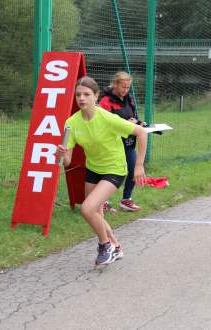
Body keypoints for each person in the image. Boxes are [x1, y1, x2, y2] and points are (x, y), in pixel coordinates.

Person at [57, 76, 147, 265]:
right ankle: (116, 246)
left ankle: (105, 246)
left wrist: (138, 166)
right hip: (93, 169)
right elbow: (66, 162)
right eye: (78, 95)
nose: (82, 98)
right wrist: (61, 153)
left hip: (114, 168)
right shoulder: (71, 123)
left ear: (96, 96)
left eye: (87, 94)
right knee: (95, 212)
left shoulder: (107, 117)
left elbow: (141, 132)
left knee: (87, 208)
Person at [99, 71, 145, 212]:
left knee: (133, 170)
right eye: (123, 87)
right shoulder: (105, 101)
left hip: (129, 143)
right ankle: (102, 202)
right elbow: (102, 123)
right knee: (110, 172)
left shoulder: (129, 99)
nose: (126, 90)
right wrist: (125, 123)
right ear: (115, 84)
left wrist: (139, 123)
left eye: (128, 87)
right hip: (112, 144)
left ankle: (126, 200)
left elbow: (134, 116)